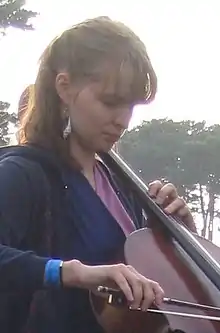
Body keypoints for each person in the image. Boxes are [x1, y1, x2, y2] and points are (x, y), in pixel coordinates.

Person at [0, 16, 196, 333]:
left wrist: (178, 238)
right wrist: (72, 273)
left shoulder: (120, 186)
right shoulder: (23, 173)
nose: (123, 121)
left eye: (130, 106)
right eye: (110, 102)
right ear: (64, 88)